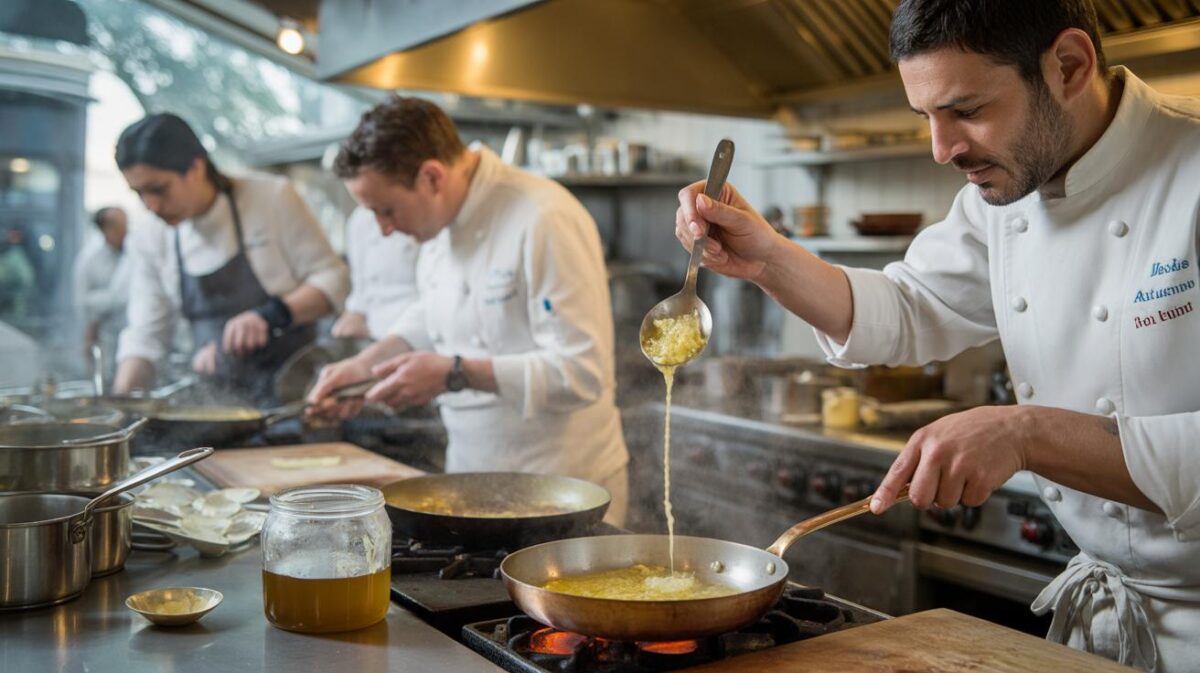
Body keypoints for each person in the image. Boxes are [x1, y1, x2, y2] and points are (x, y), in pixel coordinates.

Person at [674, 1, 1200, 670]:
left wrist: (1024, 432)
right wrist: (768, 258)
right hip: (1108, 626)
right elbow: (909, 307)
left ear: (1069, 65)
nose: (942, 149)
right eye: (926, 116)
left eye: (967, 110)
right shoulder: (1005, 193)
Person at [307, 97, 629, 523]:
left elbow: (582, 372)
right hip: (470, 484)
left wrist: (454, 373)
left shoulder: (544, 218)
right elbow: (433, 312)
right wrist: (365, 366)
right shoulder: (437, 224)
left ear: (432, 177)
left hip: (563, 493)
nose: (384, 230)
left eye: (387, 211)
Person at [112, 114, 349, 403]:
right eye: (139, 193)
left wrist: (272, 315)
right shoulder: (150, 235)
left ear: (196, 167)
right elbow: (145, 335)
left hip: (296, 394)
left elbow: (334, 279)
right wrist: (120, 406)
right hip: (215, 403)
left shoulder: (271, 198)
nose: (151, 206)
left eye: (159, 189)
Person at [331, 205, 420, 341]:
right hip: (370, 334)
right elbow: (360, 290)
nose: (383, 228)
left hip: (414, 333)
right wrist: (355, 312)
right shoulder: (358, 220)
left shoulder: (422, 218)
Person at [74, 206, 131, 378]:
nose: (126, 229)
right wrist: (113, 298)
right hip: (102, 338)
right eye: (120, 225)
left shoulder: (132, 254)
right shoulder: (89, 260)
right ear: (106, 228)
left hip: (129, 335)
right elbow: (82, 302)